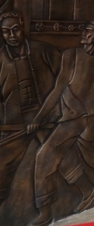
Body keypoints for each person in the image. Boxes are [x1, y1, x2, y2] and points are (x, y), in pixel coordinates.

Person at [24, 21, 94, 226]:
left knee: (45, 156)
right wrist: (41, 117)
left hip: (80, 119)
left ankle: (44, 212)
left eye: (89, 30)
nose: (83, 32)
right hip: (80, 118)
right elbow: (59, 88)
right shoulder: (72, 56)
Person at [0, 12, 60, 204]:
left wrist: (56, 113)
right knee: (3, 165)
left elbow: (64, 81)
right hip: (15, 123)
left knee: (60, 158)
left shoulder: (44, 50)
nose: (11, 35)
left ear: (22, 26)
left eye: (15, 29)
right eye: (6, 31)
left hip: (47, 118)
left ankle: (51, 204)